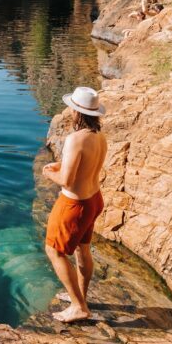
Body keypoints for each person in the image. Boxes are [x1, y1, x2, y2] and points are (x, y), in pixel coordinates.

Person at [41, 86, 108, 323]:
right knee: (83, 249)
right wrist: (60, 167)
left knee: (54, 251)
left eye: (71, 106)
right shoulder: (98, 136)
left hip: (74, 205)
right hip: (94, 200)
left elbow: (67, 180)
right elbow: (85, 167)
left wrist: (48, 172)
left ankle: (79, 307)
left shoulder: (75, 139)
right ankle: (80, 297)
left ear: (76, 112)